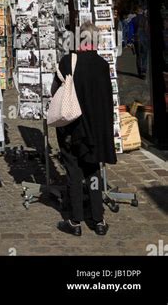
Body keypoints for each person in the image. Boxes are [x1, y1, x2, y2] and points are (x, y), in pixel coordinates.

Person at [52, 21, 116, 237]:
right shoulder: (102, 65)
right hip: (94, 133)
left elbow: (55, 94)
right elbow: (108, 101)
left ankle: (75, 221)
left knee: (73, 172)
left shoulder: (68, 62)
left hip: (72, 129)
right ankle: (98, 220)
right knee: (93, 172)